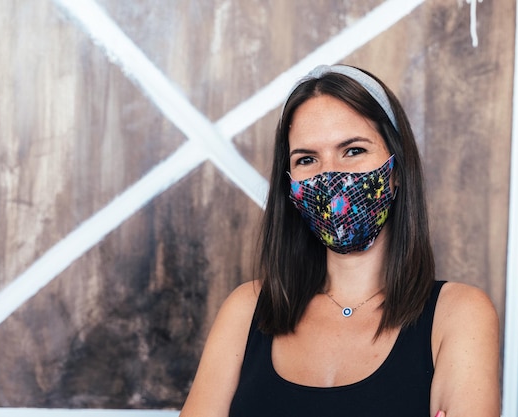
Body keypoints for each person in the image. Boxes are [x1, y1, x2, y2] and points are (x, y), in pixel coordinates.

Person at [179, 64, 500, 417]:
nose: (330, 174)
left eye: (353, 151)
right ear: (290, 183)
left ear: (396, 171)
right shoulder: (247, 308)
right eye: (307, 159)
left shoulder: (458, 313)